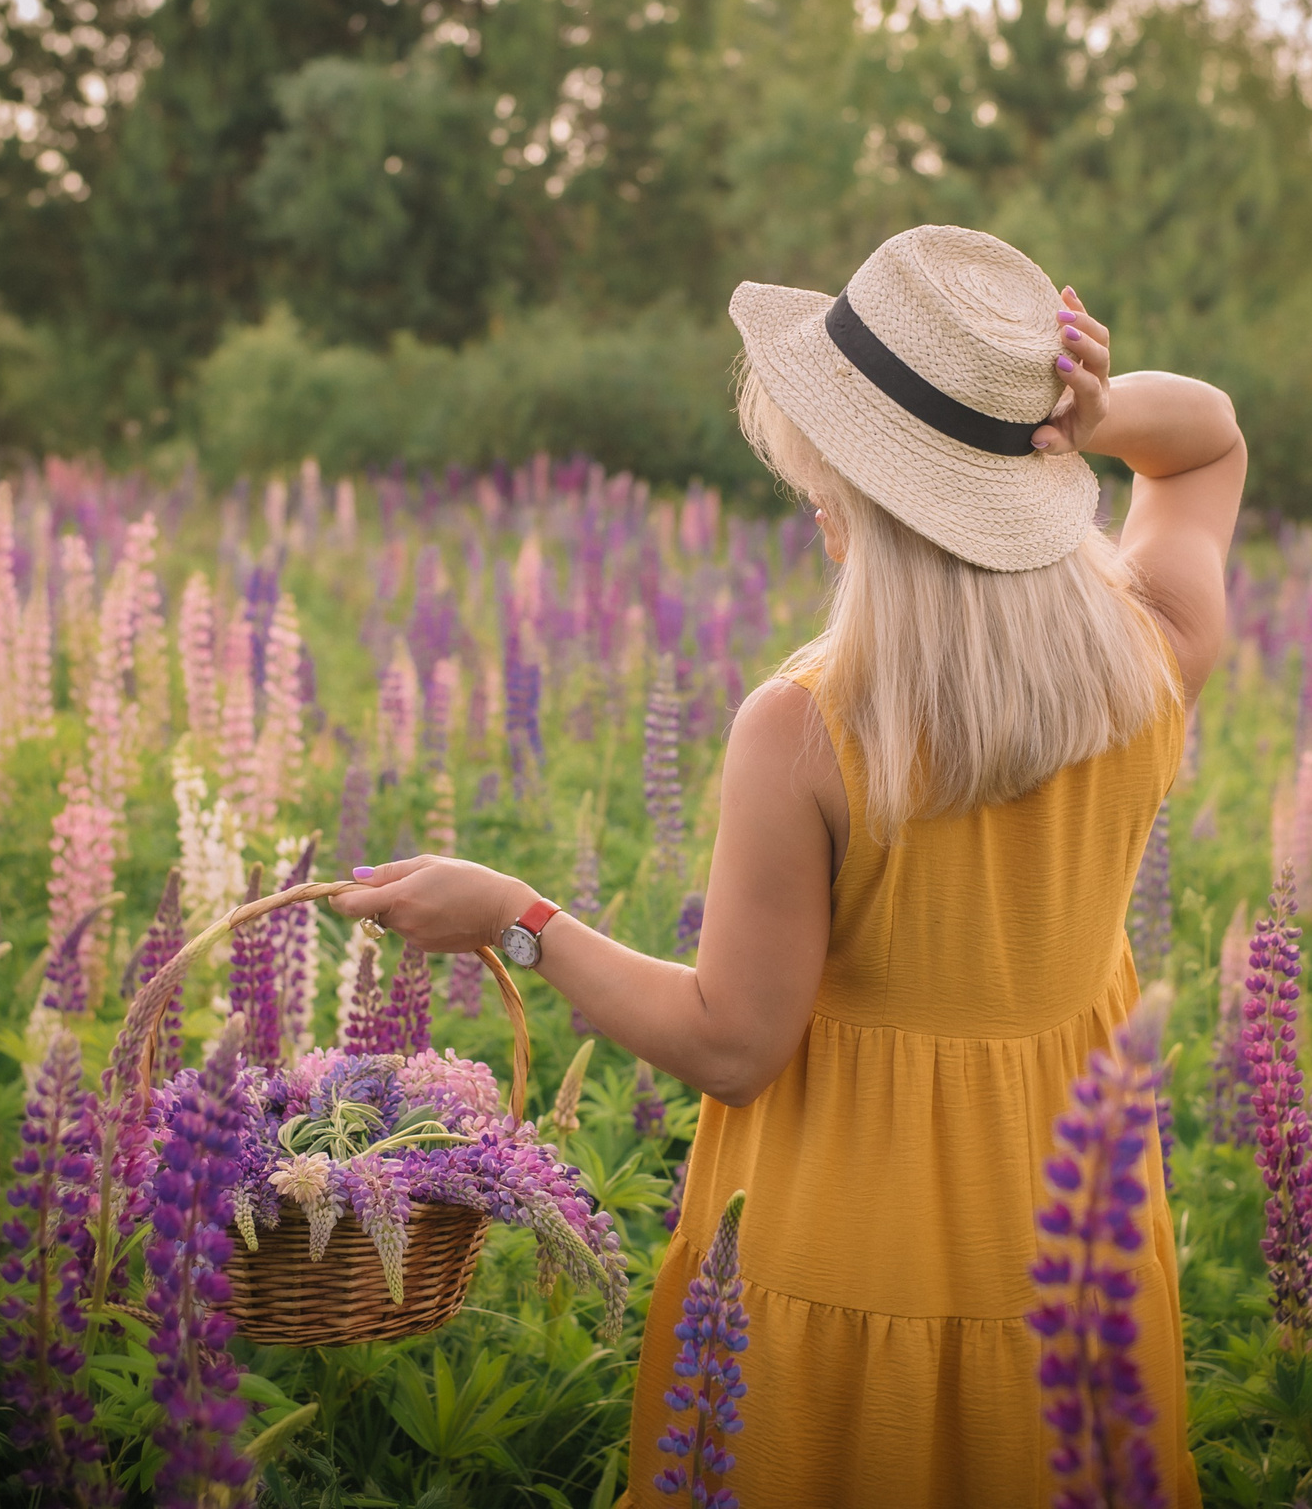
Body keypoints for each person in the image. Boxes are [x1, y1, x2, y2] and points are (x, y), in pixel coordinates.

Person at [331, 224, 1244, 1505]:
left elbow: (731, 1043)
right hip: (1071, 1241)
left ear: (850, 479)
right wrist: (1083, 415)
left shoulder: (810, 729)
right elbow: (1205, 437)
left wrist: (515, 915)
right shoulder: (1148, 655)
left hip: (839, 1253)